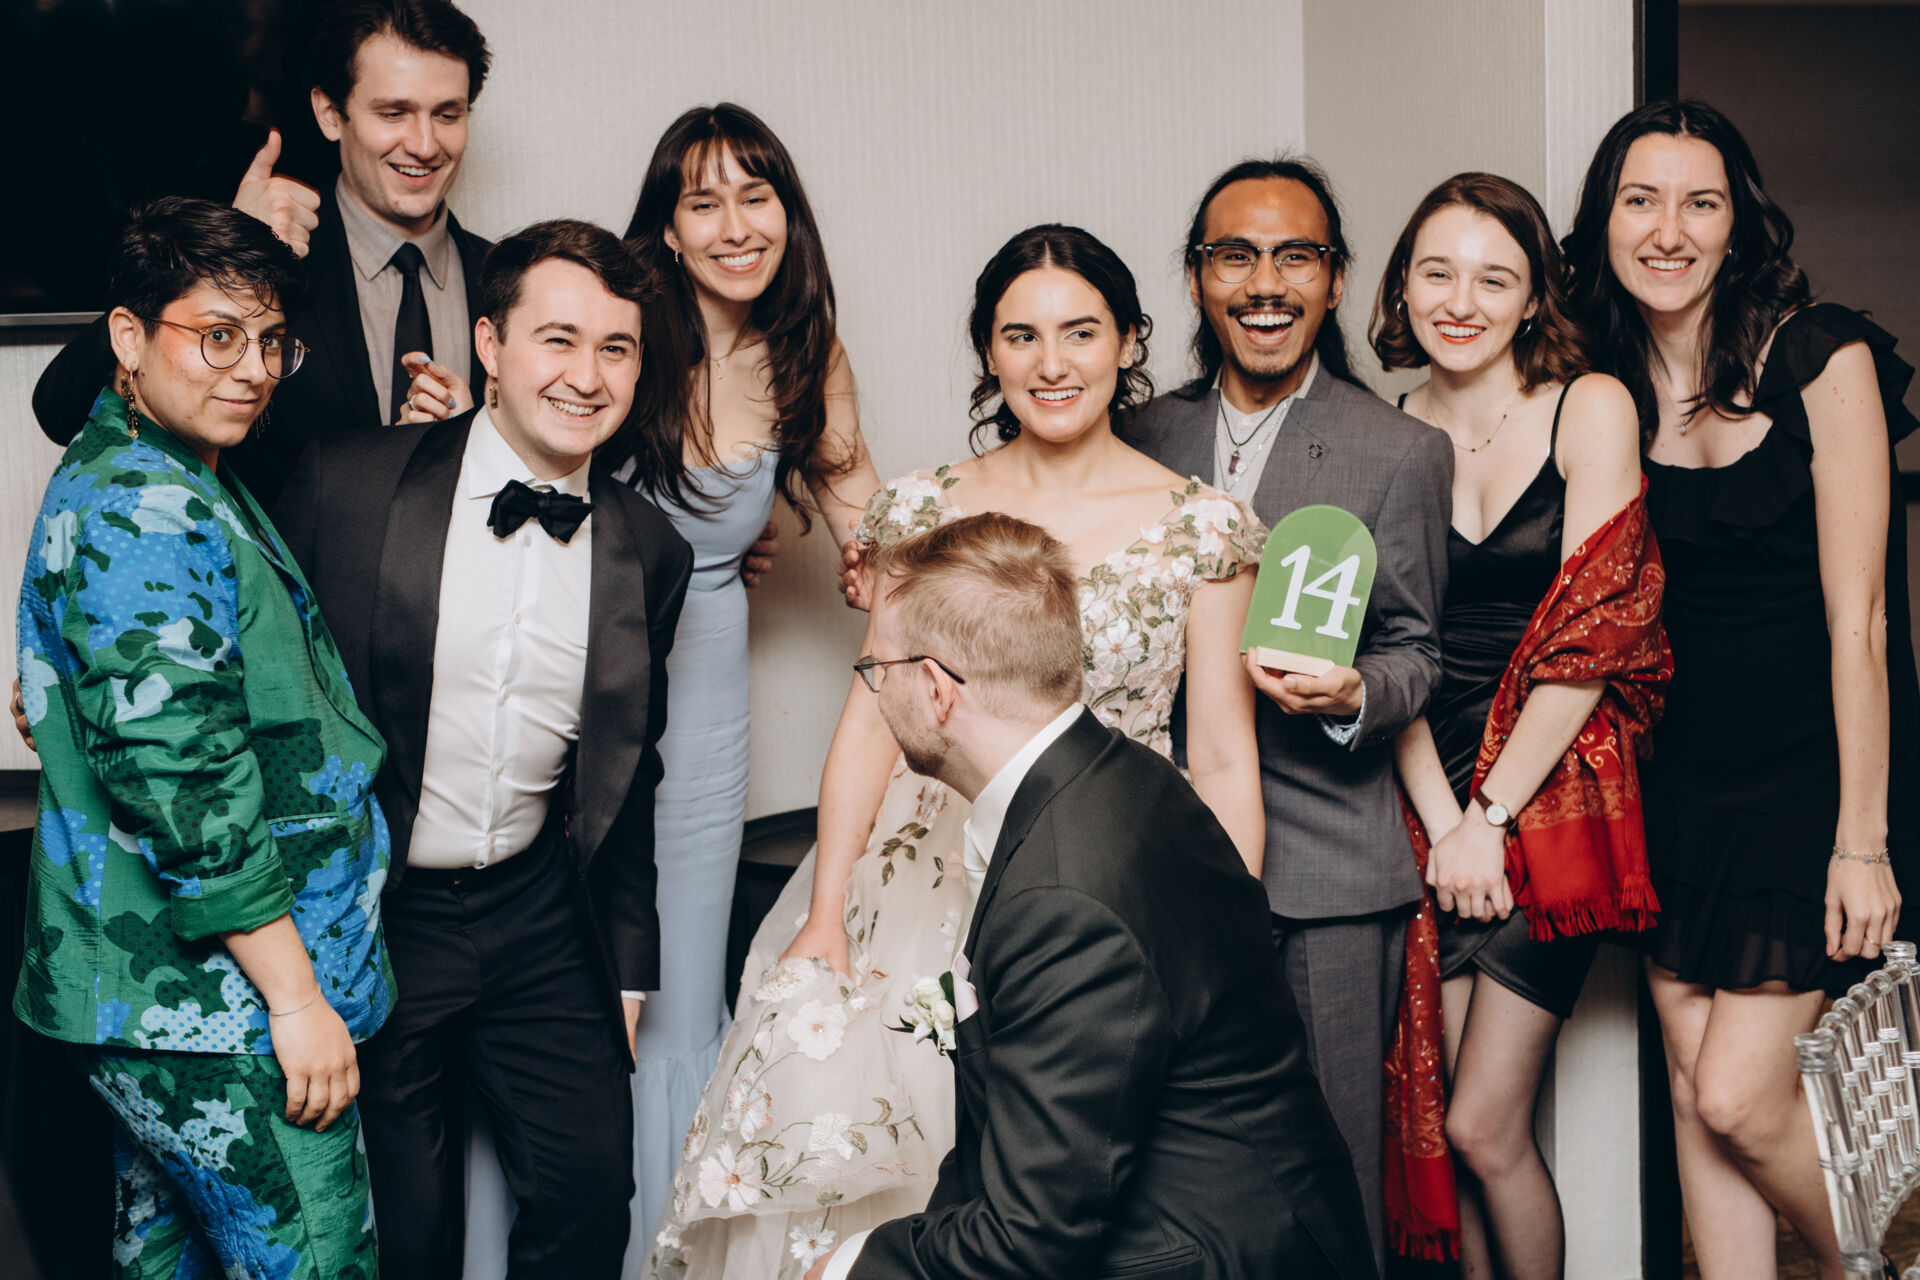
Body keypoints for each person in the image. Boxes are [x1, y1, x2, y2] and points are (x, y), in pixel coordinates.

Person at [647, 223, 1266, 1279]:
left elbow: (1219, 757)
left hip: (1112, 884)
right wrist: (827, 912)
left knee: (1071, 1180)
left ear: (1128, 342)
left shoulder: (1201, 528)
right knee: (890, 1160)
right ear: (989, 351)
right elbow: (870, 719)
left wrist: (1228, 935)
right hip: (920, 887)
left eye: (1081, 332)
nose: (1052, 362)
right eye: (1021, 336)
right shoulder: (924, 508)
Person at [271, 218, 695, 1278]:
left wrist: (628, 967)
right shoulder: (347, 486)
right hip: (379, 913)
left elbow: (631, 768)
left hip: (539, 911)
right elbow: (245, 673)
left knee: (590, 1195)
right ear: (491, 345)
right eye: (559, 339)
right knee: (407, 1228)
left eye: (616, 348)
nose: (587, 376)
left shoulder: (651, 549)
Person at [798, 512, 1375, 1280]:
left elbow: (1031, 1240)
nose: (878, 692)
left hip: (1207, 1253)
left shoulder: (1064, 899)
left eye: (880, 670)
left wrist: (847, 1268)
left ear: (936, 689)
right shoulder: (1116, 772)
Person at [1564, 100, 1920, 1278]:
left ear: (1738, 224)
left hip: (1811, 782)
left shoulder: (1821, 355)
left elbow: (1862, 620)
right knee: (1689, 1088)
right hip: (1674, 776)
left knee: (1736, 1094)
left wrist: (1863, 838)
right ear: (1605, 221)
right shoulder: (1602, 386)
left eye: (1700, 202)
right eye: (1641, 200)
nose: (1669, 230)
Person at [14, 197, 393, 1277]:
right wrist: (296, 998)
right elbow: (185, 783)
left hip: (171, 1007)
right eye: (218, 336)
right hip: (217, 1011)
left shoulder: (156, 466)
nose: (254, 369)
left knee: (165, 1260)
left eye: (271, 341)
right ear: (128, 339)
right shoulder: (147, 505)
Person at [1121, 156, 1451, 1269]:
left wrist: (1355, 693)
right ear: (1197, 276)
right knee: (1171, 1164)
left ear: (1336, 278)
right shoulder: (1137, 435)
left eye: (1295, 256)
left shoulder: (1398, 450)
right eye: (1236, 256)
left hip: (1326, 873)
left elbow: (1418, 652)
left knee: (1332, 1170)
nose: (1265, 283)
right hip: (1153, 861)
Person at [1371, 173, 1667, 1276]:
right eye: (1437, 274)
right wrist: (1446, 825)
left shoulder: (1591, 405)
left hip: (1551, 787)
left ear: (1536, 293)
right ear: (1403, 287)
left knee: (1486, 1124)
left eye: (1494, 278)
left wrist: (1489, 819)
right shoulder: (1383, 430)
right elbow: (1384, 646)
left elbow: (1600, 632)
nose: (1462, 302)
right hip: (1425, 789)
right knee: (1454, 1128)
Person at [30, 0, 494, 507]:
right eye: (393, 113)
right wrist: (231, 247)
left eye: (447, 114)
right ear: (330, 113)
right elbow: (61, 409)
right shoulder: (252, 254)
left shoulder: (503, 280)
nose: (425, 144)